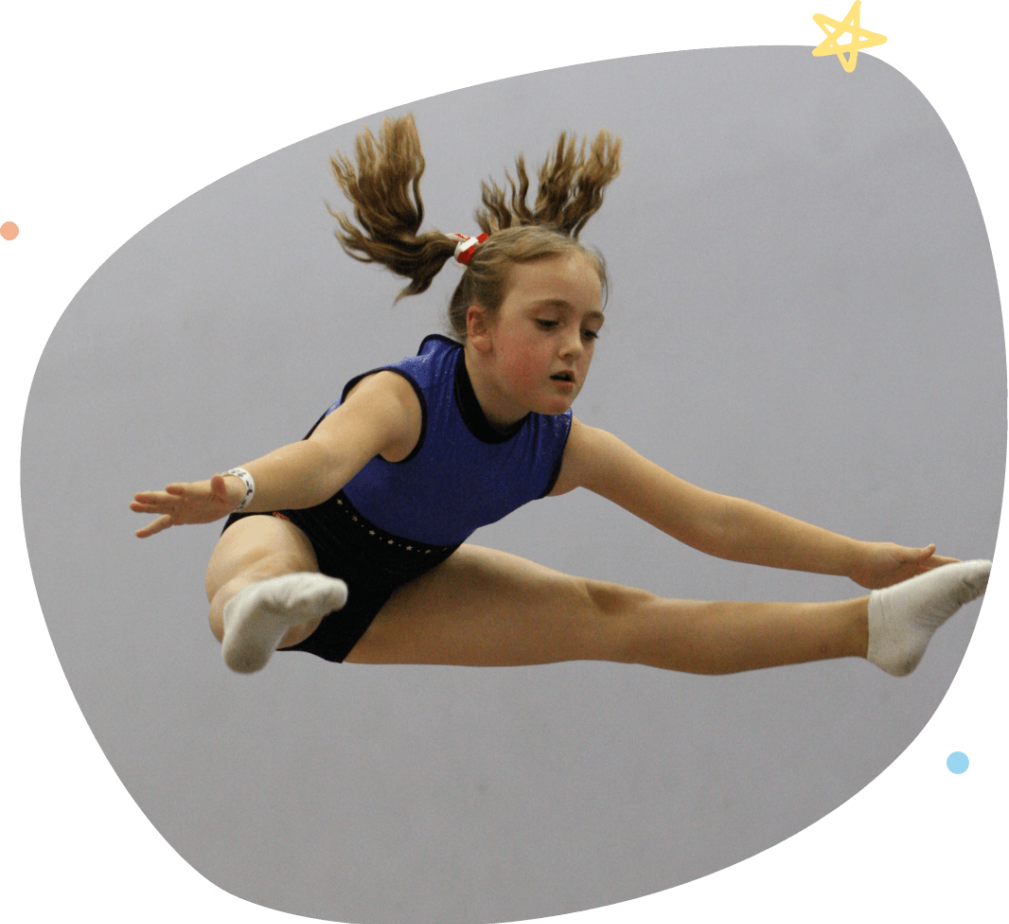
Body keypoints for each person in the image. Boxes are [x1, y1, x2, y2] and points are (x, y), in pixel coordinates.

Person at [130, 113, 991, 677]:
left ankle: (868, 628)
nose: (572, 348)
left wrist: (859, 559)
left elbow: (713, 522)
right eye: (548, 322)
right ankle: (257, 617)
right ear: (477, 327)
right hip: (294, 523)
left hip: (406, 587)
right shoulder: (406, 398)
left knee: (612, 615)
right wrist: (238, 491)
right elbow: (319, 465)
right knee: (266, 563)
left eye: (589, 329)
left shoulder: (562, 446)